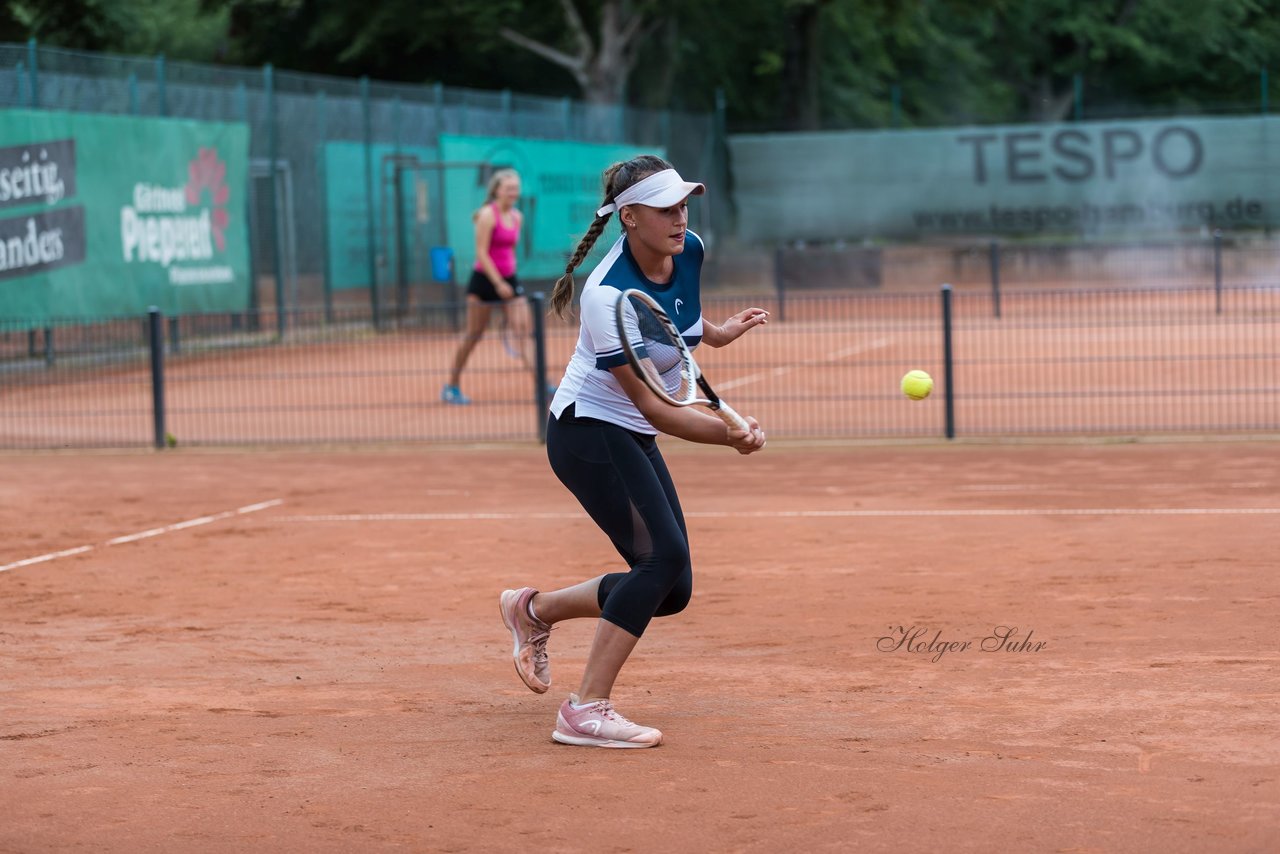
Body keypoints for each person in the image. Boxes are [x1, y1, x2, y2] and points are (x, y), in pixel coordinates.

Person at [499, 155, 769, 748]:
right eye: (665, 208)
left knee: (672, 589)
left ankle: (533, 610)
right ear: (629, 218)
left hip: (628, 432)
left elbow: (679, 323)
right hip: (587, 434)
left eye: (683, 204)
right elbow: (657, 408)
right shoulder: (606, 295)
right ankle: (586, 708)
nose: (680, 217)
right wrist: (727, 434)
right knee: (660, 558)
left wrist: (720, 332)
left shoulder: (687, 248)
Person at [441, 168, 550, 404]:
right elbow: (481, 253)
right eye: (509, 188)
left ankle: (542, 385)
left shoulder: (517, 217)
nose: (514, 193)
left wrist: (508, 278)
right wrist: (498, 283)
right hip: (483, 282)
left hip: (509, 281)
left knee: (524, 333)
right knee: (473, 335)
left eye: (516, 188)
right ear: (497, 190)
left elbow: (507, 250)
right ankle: (451, 386)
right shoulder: (486, 215)